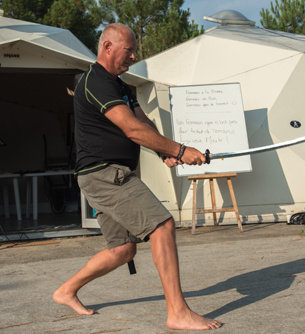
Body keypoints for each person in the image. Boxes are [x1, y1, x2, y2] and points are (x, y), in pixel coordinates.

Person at [52, 23, 221, 331]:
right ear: (107, 47)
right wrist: (182, 150)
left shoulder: (119, 84)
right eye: (127, 49)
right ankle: (178, 313)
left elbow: (141, 121)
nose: (132, 55)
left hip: (107, 174)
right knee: (162, 225)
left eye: (133, 50)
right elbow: (130, 129)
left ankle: (66, 290)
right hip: (105, 174)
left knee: (123, 249)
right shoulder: (96, 81)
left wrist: (164, 150)